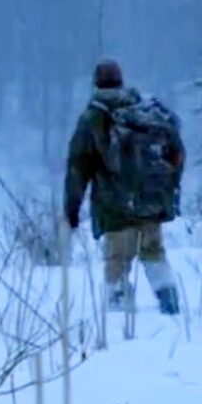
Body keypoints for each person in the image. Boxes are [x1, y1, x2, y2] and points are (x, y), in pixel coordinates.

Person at [64, 59, 186, 318]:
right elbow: (176, 153)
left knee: (117, 259)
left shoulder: (94, 117)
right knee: (154, 253)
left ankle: (121, 316)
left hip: (115, 205)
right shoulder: (144, 110)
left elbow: (78, 166)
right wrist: (170, 191)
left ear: (96, 83)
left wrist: (72, 207)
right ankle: (169, 301)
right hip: (152, 202)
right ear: (121, 81)